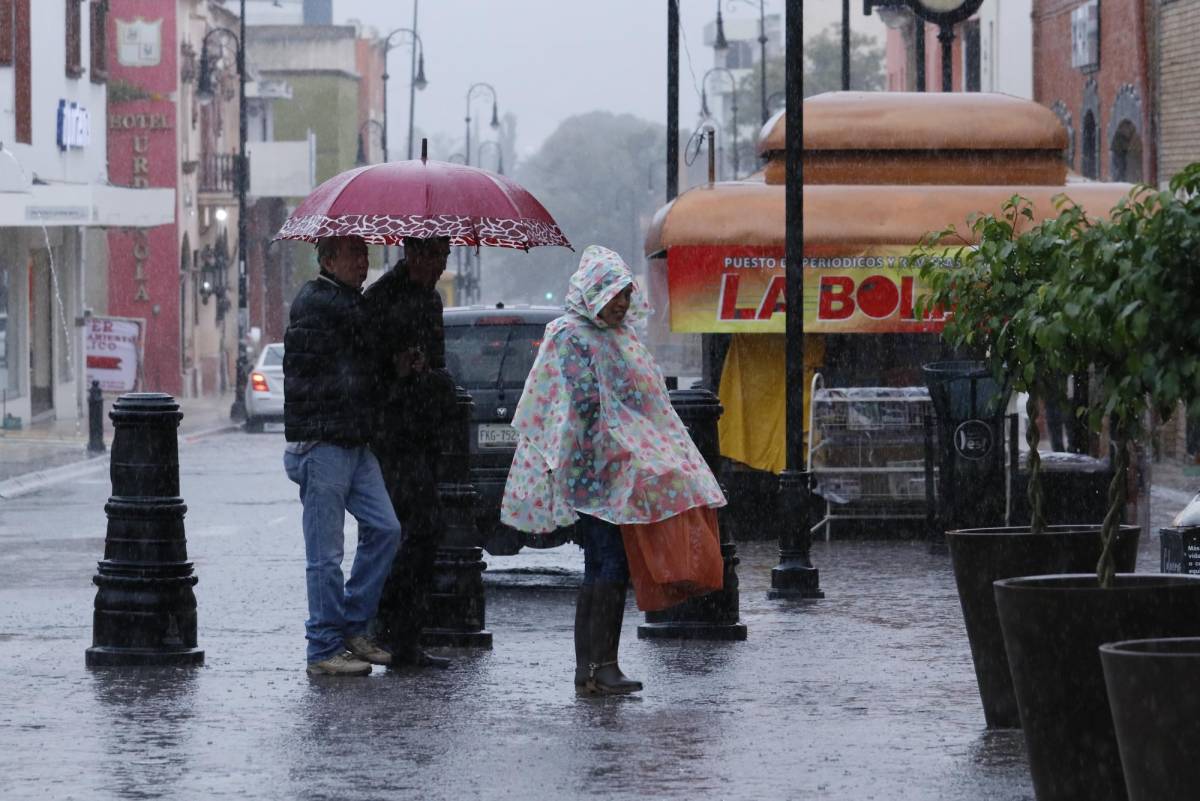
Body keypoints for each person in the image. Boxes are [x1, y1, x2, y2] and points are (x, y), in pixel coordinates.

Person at [500, 245, 726, 695]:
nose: (621, 301)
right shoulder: (570, 335)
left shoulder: (621, 337)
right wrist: (630, 444)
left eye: (626, 292)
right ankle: (600, 667)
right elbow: (585, 402)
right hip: (596, 470)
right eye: (613, 291)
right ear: (592, 290)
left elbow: (649, 402)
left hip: (618, 471)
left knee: (601, 566)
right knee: (608, 565)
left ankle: (594, 669)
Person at [283, 235, 402, 677]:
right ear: (329, 259)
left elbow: (363, 363)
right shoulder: (320, 303)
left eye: (364, 254)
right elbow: (345, 364)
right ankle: (323, 649)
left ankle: (353, 626)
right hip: (322, 443)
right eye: (354, 254)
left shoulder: (350, 303)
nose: (363, 262)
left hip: (352, 440)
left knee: (385, 528)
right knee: (325, 555)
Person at [363, 236, 456, 669]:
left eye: (446, 257)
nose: (441, 266)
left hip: (423, 433)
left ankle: (406, 637)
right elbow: (366, 375)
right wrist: (397, 372)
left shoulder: (431, 301)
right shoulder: (380, 299)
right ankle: (384, 624)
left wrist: (429, 375)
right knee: (413, 529)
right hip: (391, 437)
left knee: (422, 532)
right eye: (436, 256)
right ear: (415, 254)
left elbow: (439, 367)